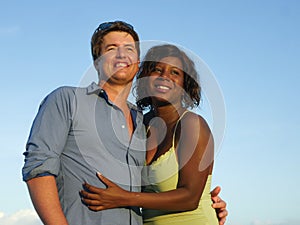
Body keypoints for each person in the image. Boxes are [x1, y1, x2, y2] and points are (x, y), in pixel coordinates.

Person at [22, 21, 227, 225]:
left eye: (128, 49)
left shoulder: (143, 121)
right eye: (111, 49)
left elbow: (181, 192)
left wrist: (207, 201)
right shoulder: (67, 100)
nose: (121, 55)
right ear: (96, 61)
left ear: (137, 63)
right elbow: (38, 167)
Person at [80, 44, 226, 225]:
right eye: (157, 69)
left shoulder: (191, 124)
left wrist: (125, 198)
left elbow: (190, 197)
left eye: (175, 73)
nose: (165, 77)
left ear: (185, 84)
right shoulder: (140, 124)